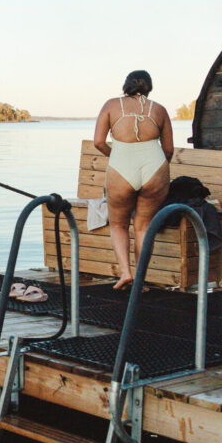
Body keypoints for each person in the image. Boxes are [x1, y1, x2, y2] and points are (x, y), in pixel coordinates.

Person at [92, 70, 173, 290]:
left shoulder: (111, 105)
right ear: (149, 87)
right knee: (144, 225)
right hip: (154, 166)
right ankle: (139, 278)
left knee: (118, 224)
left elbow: (98, 141)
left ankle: (125, 273)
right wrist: (159, 170)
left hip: (121, 166)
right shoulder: (159, 109)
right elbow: (168, 150)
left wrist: (116, 158)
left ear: (125, 85)